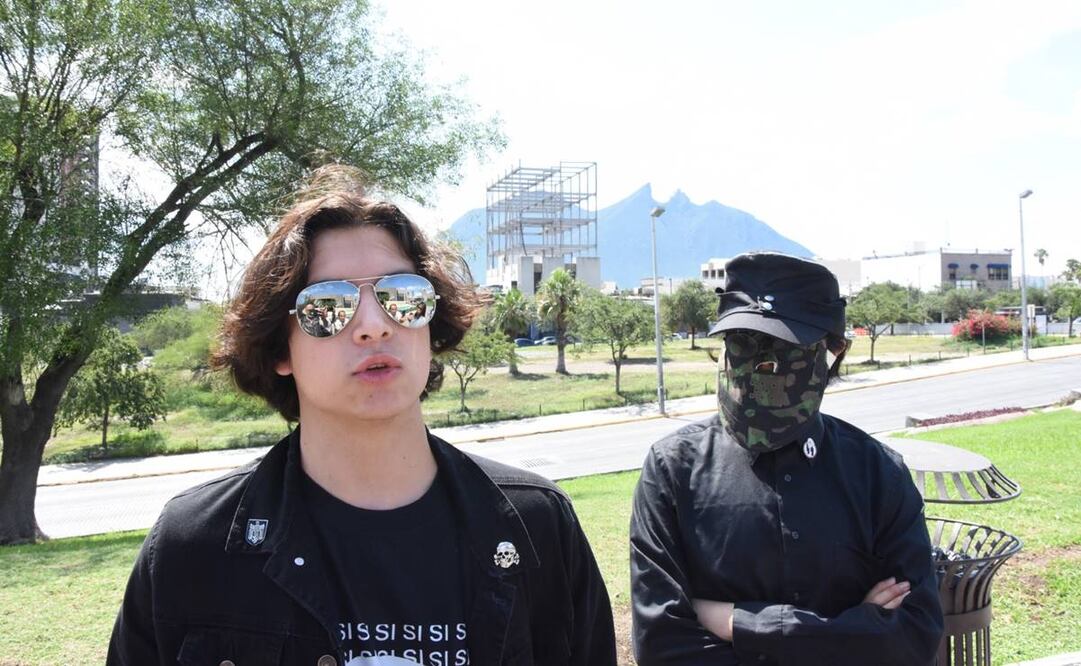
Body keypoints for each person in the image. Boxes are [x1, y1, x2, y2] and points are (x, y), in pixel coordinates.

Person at [107, 165, 616, 666]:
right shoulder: (193, 547)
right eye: (327, 305)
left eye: (403, 297)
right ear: (279, 348)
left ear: (430, 324)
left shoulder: (539, 530)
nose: (374, 325)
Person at [630, 252, 944, 665]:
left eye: (787, 346)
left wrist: (737, 623)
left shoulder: (877, 472)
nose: (763, 365)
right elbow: (663, 645)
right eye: (743, 342)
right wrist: (848, 631)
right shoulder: (673, 470)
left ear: (832, 355)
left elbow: (913, 635)